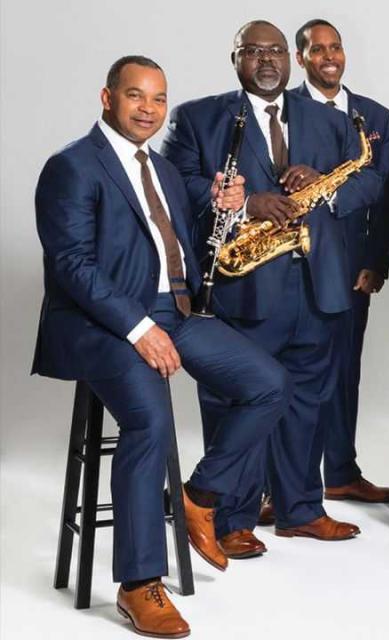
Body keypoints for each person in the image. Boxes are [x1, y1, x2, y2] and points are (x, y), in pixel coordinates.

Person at [32, 55, 289, 637]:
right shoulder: (72, 166)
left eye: (158, 99)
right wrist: (137, 328)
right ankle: (138, 583)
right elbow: (72, 265)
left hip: (171, 313)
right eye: (136, 96)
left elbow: (183, 245)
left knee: (268, 384)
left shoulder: (166, 171)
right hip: (99, 324)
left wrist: (226, 207)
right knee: (151, 422)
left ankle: (198, 497)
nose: (148, 109)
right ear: (107, 97)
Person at [162, 19, 375, 559]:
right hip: (245, 286)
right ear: (235, 58)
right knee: (241, 400)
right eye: (253, 51)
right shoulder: (199, 117)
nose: (266, 59)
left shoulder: (327, 119)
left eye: (276, 50)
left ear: (292, 58)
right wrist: (246, 202)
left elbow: (366, 178)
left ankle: (300, 509)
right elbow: (171, 185)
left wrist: (320, 189)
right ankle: (231, 516)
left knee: (308, 401)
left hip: (317, 285)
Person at [290, 17, 389, 504]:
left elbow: (388, 195)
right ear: (301, 59)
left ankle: (340, 472)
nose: (330, 56)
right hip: (294, 264)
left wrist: (377, 262)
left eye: (336, 47)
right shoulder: (284, 109)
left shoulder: (375, 115)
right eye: (318, 49)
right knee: (293, 375)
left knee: (344, 373)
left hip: (354, 266)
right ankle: (286, 484)